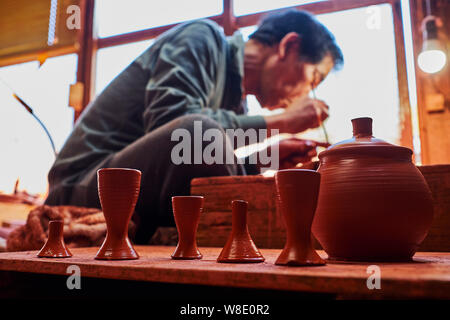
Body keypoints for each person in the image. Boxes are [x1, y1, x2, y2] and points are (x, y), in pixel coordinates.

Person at [45, 10, 343, 244]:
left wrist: (263, 160)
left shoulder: (234, 103)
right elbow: (179, 133)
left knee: (205, 139)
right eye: (313, 80)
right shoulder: (203, 38)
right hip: (82, 187)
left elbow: (186, 160)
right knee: (199, 131)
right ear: (289, 46)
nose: (304, 94)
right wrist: (281, 122)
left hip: (137, 188)